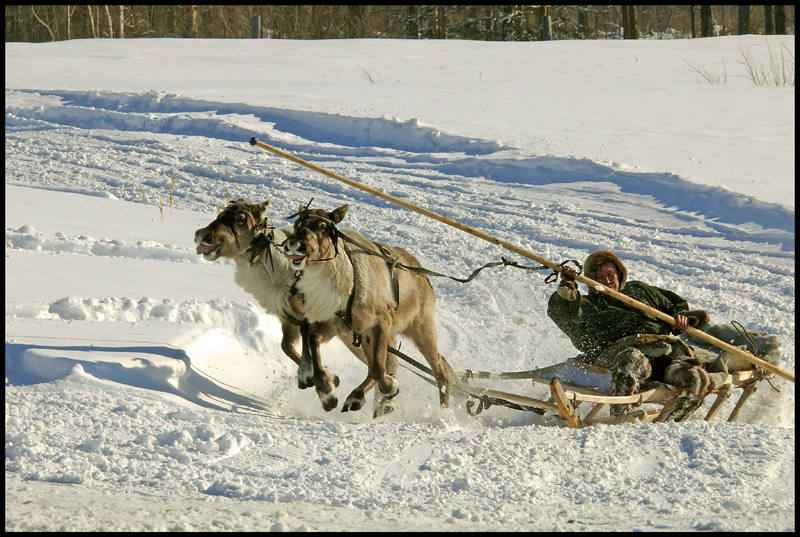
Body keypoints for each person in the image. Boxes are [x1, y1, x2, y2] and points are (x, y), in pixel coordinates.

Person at [547, 250, 781, 421]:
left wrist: (683, 318)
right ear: (592, 282)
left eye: (611, 274)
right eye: (600, 277)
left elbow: (674, 306)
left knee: (695, 378)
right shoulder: (589, 305)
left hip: (662, 353)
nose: (608, 281)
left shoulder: (639, 291)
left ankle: (668, 427)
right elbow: (567, 316)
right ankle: (621, 415)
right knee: (632, 359)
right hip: (618, 355)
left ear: (620, 274)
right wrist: (567, 289)